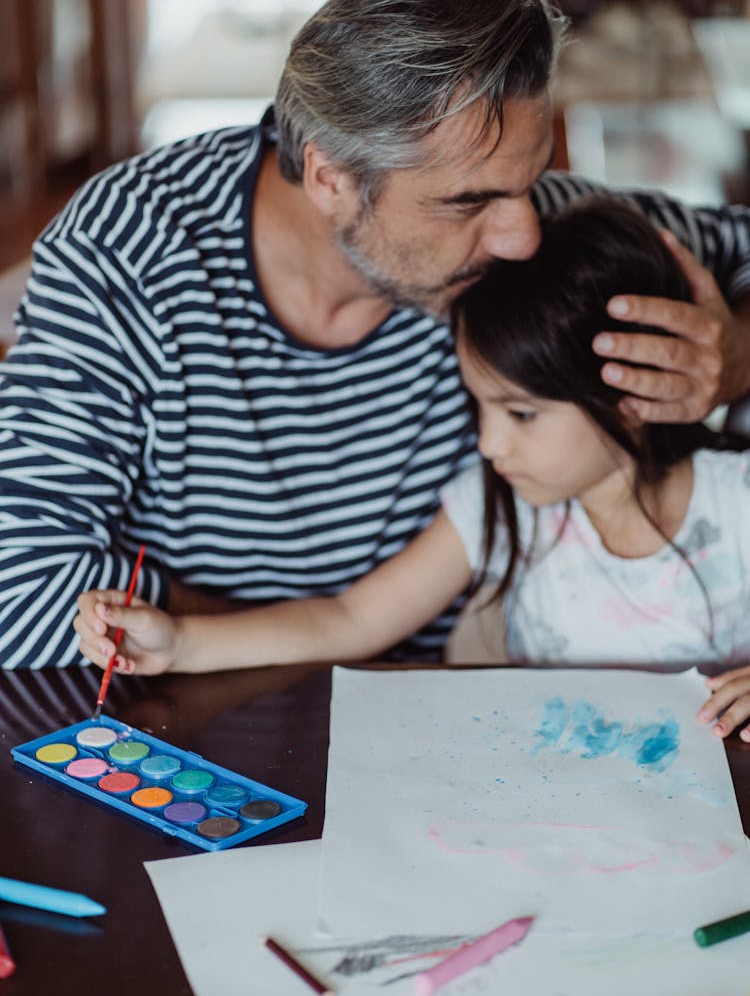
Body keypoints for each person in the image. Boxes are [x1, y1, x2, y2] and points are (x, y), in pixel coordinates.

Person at [4, 0, 750, 671]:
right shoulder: (129, 251)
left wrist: (738, 355)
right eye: (470, 199)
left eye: (529, 180)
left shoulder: (547, 228)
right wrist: (229, 641)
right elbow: (19, 595)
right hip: (203, 713)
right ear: (330, 179)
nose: (523, 234)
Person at [75, 196, 750, 739]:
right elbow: (351, 618)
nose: (488, 445)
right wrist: (178, 644)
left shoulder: (735, 501)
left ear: (632, 397)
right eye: (480, 409)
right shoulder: (499, 507)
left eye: (520, 414)